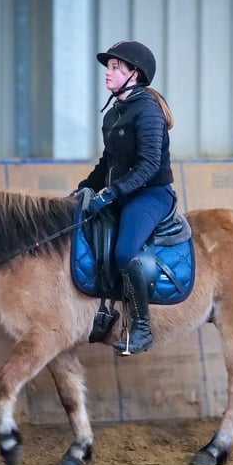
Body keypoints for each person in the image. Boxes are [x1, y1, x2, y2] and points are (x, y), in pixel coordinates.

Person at [72, 40, 176, 355]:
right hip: (122, 193)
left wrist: (111, 194)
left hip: (151, 195)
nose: (108, 72)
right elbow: (108, 163)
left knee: (124, 251)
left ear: (135, 74)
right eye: (108, 66)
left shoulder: (147, 110)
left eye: (116, 67)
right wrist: (85, 187)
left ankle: (141, 328)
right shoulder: (113, 112)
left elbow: (149, 165)